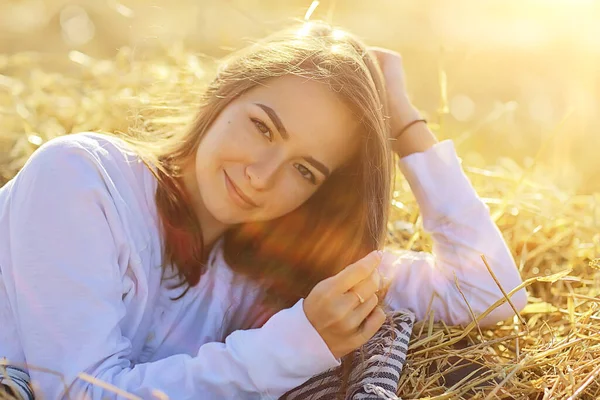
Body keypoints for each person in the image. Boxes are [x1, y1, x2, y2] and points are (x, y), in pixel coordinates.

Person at [0, 20, 527, 399]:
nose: (261, 175)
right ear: (223, 93)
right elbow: (79, 392)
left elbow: (488, 292)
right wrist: (299, 343)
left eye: (305, 170)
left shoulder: (275, 268)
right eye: (262, 126)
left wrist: (405, 125)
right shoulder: (82, 179)